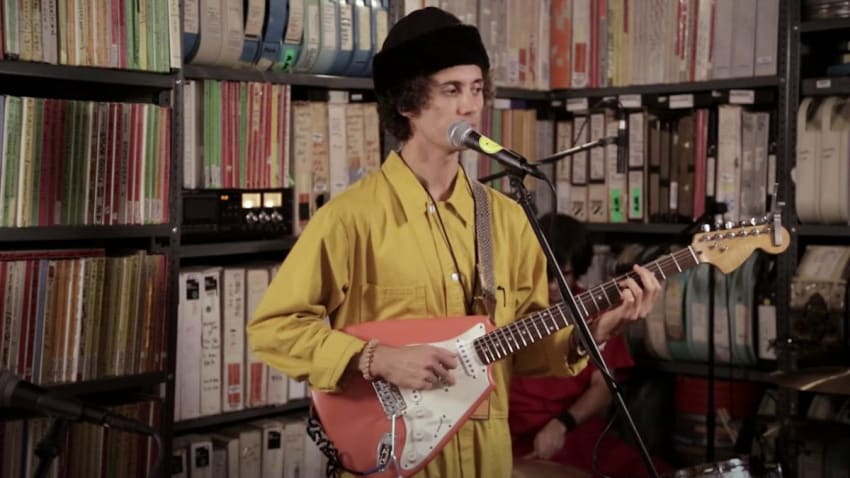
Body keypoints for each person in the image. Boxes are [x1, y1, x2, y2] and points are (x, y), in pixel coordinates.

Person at [246, 7, 662, 477]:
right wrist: (375, 357)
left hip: (488, 460)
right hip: (395, 460)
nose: (471, 106)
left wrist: (597, 332)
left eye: (477, 89)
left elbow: (524, 348)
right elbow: (273, 329)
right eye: (452, 90)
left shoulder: (507, 218)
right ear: (406, 103)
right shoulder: (349, 219)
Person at [509, 213, 674, 477]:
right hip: (516, 441)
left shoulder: (595, 307)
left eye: (563, 275)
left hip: (575, 430)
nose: (552, 286)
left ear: (580, 266)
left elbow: (603, 388)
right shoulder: (512, 307)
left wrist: (562, 423)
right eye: (546, 275)